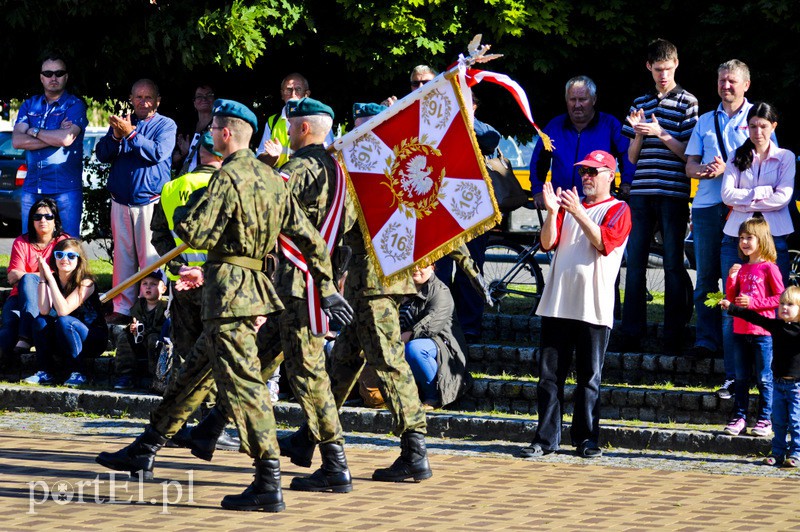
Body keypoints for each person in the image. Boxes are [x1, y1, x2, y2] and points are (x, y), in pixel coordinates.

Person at [95, 99, 353, 513]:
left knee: (247, 388)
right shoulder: (271, 180)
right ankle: (145, 447)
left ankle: (268, 480)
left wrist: (180, 210)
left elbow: (196, 230)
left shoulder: (228, 178)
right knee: (194, 371)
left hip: (228, 293)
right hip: (250, 291)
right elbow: (311, 239)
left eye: (214, 128)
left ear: (225, 134)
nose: (210, 134)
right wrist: (326, 286)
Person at [520, 150, 631, 459]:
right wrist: (553, 212)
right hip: (557, 303)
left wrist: (578, 212)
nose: (586, 177)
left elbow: (603, 242)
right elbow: (547, 243)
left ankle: (585, 439)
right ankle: (545, 439)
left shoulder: (619, 208)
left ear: (610, 175)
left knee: (589, 379)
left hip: (592, 307)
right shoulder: (570, 207)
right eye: (583, 171)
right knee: (549, 378)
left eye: (593, 172)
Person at [684, 60, 758, 399]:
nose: (725, 86)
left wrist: (726, 168)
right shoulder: (704, 121)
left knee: (739, 279)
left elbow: (767, 159)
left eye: (732, 81)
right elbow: (690, 165)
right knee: (704, 278)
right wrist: (703, 172)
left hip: (741, 209)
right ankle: (706, 340)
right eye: (721, 80)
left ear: (746, 85)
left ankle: (746, 345)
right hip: (706, 207)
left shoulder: (756, 119)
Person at [619, 39, 698, 354]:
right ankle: (631, 333)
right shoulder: (640, 102)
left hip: (673, 193)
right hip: (641, 192)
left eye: (667, 69)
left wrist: (661, 133)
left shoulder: (687, 102)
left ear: (676, 64)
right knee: (635, 263)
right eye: (657, 69)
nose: (663, 75)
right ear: (649, 67)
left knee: (672, 265)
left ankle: (673, 334)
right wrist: (639, 133)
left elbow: (689, 155)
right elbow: (633, 158)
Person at [95, 78, 177, 324]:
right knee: (122, 258)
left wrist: (130, 134)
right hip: (120, 200)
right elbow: (102, 154)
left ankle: (149, 309)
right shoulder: (123, 122)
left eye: (148, 97)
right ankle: (122, 308)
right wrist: (117, 137)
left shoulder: (166, 124)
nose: (143, 102)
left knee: (151, 259)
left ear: (158, 101)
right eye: (138, 97)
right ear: (131, 99)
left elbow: (157, 153)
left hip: (149, 201)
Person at [721, 286, 800, 467]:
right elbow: (754, 317)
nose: (784, 307)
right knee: (778, 422)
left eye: (790, 304)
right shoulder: (776, 326)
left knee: (796, 422)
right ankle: (778, 453)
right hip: (778, 384)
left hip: (797, 386)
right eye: (781, 304)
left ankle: (796, 453)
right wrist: (732, 307)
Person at [719, 217, 783, 437]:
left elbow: (780, 298)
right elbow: (732, 298)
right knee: (741, 377)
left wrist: (755, 304)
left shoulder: (769, 268)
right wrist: (731, 278)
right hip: (739, 331)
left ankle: (765, 420)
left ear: (762, 240)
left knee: (764, 378)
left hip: (762, 333)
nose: (744, 242)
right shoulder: (742, 268)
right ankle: (739, 417)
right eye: (741, 238)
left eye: (749, 238)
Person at [721, 102, 795, 290]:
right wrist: (759, 193)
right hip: (736, 235)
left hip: (773, 235)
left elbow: (782, 198)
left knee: (774, 297)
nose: (758, 132)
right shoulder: (735, 156)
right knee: (733, 297)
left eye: (763, 126)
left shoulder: (786, 157)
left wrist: (744, 203)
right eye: (752, 126)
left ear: (773, 126)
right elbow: (727, 196)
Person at [12, 54, 88, 236]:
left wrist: (33, 130)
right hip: (33, 186)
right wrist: (53, 136)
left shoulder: (75, 105)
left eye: (59, 73)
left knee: (68, 245)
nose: (53, 78)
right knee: (31, 245)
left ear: (66, 77)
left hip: (65, 189)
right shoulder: (29, 105)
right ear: (41, 77)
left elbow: (65, 139)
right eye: (48, 73)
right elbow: (16, 141)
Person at [529, 75, 633, 208]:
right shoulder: (554, 126)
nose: (577, 105)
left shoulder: (610, 124)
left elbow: (627, 155)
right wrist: (538, 191)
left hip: (598, 205)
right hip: (561, 203)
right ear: (566, 100)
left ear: (594, 99)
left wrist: (627, 183)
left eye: (582, 99)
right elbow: (539, 161)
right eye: (572, 99)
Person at [23, 238, 108, 386]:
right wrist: (43, 277)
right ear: (54, 258)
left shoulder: (86, 282)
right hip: (64, 336)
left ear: (79, 260)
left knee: (64, 321)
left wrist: (50, 278)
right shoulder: (52, 279)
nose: (64, 259)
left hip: (92, 338)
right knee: (40, 321)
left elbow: (63, 311)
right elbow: (43, 310)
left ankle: (78, 372)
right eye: (60, 255)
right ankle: (45, 372)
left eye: (71, 256)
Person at [0, 199, 70, 368]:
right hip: (19, 298)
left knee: (28, 278)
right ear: (31, 221)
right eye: (37, 217)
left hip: (52, 298)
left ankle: (25, 337)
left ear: (55, 220)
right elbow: (12, 277)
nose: (43, 220)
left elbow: (66, 272)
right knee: (9, 328)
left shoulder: (63, 241)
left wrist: (30, 276)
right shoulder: (21, 242)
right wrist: (44, 274)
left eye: (48, 216)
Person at [401, 264, 471, 410]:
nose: (417, 268)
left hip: (441, 345)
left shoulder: (440, 291)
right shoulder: (398, 287)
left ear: (433, 267)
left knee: (415, 349)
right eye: (414, 264)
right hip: (401, 339)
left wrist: (402, 338)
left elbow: (430, 327)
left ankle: (433, 396)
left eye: (423, 265)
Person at [110, 270, 168, 390]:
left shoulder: (166, 307)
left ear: (163, 289)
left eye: (153, 284)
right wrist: (132, 328)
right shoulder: (138, 306)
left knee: (154, 339)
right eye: (144, 283)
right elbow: (135, 321)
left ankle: (156, 376)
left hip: (155, 343)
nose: (148, 287)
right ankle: (125, 375)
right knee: (124, 336)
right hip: (139, 343)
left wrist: (146, 331)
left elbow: (163, 328)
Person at [256, 73, 311, 167]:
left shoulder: (316, 120)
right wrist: (272, 158)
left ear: (306, 94)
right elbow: (260, 159)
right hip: (277, 180)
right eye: (288, 90)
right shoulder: (272, 121)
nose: (293, 94)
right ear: (282, 94)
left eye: (298, 89)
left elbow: (327, 155)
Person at [172, 84, 215, 174]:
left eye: (209, 95)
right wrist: (182, 154)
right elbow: (173, 162)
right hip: (185, 182)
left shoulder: (219, 127)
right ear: (194, 103)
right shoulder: (186, 127)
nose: (204, 99)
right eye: (199, 96)